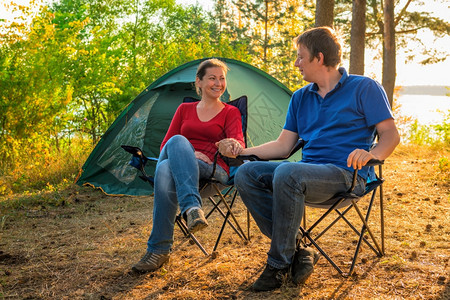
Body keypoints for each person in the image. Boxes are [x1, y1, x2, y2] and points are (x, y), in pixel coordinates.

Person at [217, 27, 400, 291]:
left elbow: (390, 135)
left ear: (319, 58)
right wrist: (241, 152)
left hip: (347, 175)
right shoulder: (300, 97)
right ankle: (299, 251)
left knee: (289, 173)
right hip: (305, 176)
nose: (296, 63)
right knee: (246, 174)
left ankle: (278, 265)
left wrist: (372, 154)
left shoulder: (364, 88)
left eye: (300, 56)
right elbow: (283, 146)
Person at [132, 58, 245, 273]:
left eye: (222, 79)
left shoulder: (231, 112)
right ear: (199, 82)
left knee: (167, 167)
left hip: (212, 169)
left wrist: (228, 145)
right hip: (182, 165)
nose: (218, 83)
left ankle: (159, 250)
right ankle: (192, 209)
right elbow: (166, 144)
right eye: (212, 78)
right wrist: (190, 153)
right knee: (174, 149)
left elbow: (238, 145)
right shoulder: (184, 109)